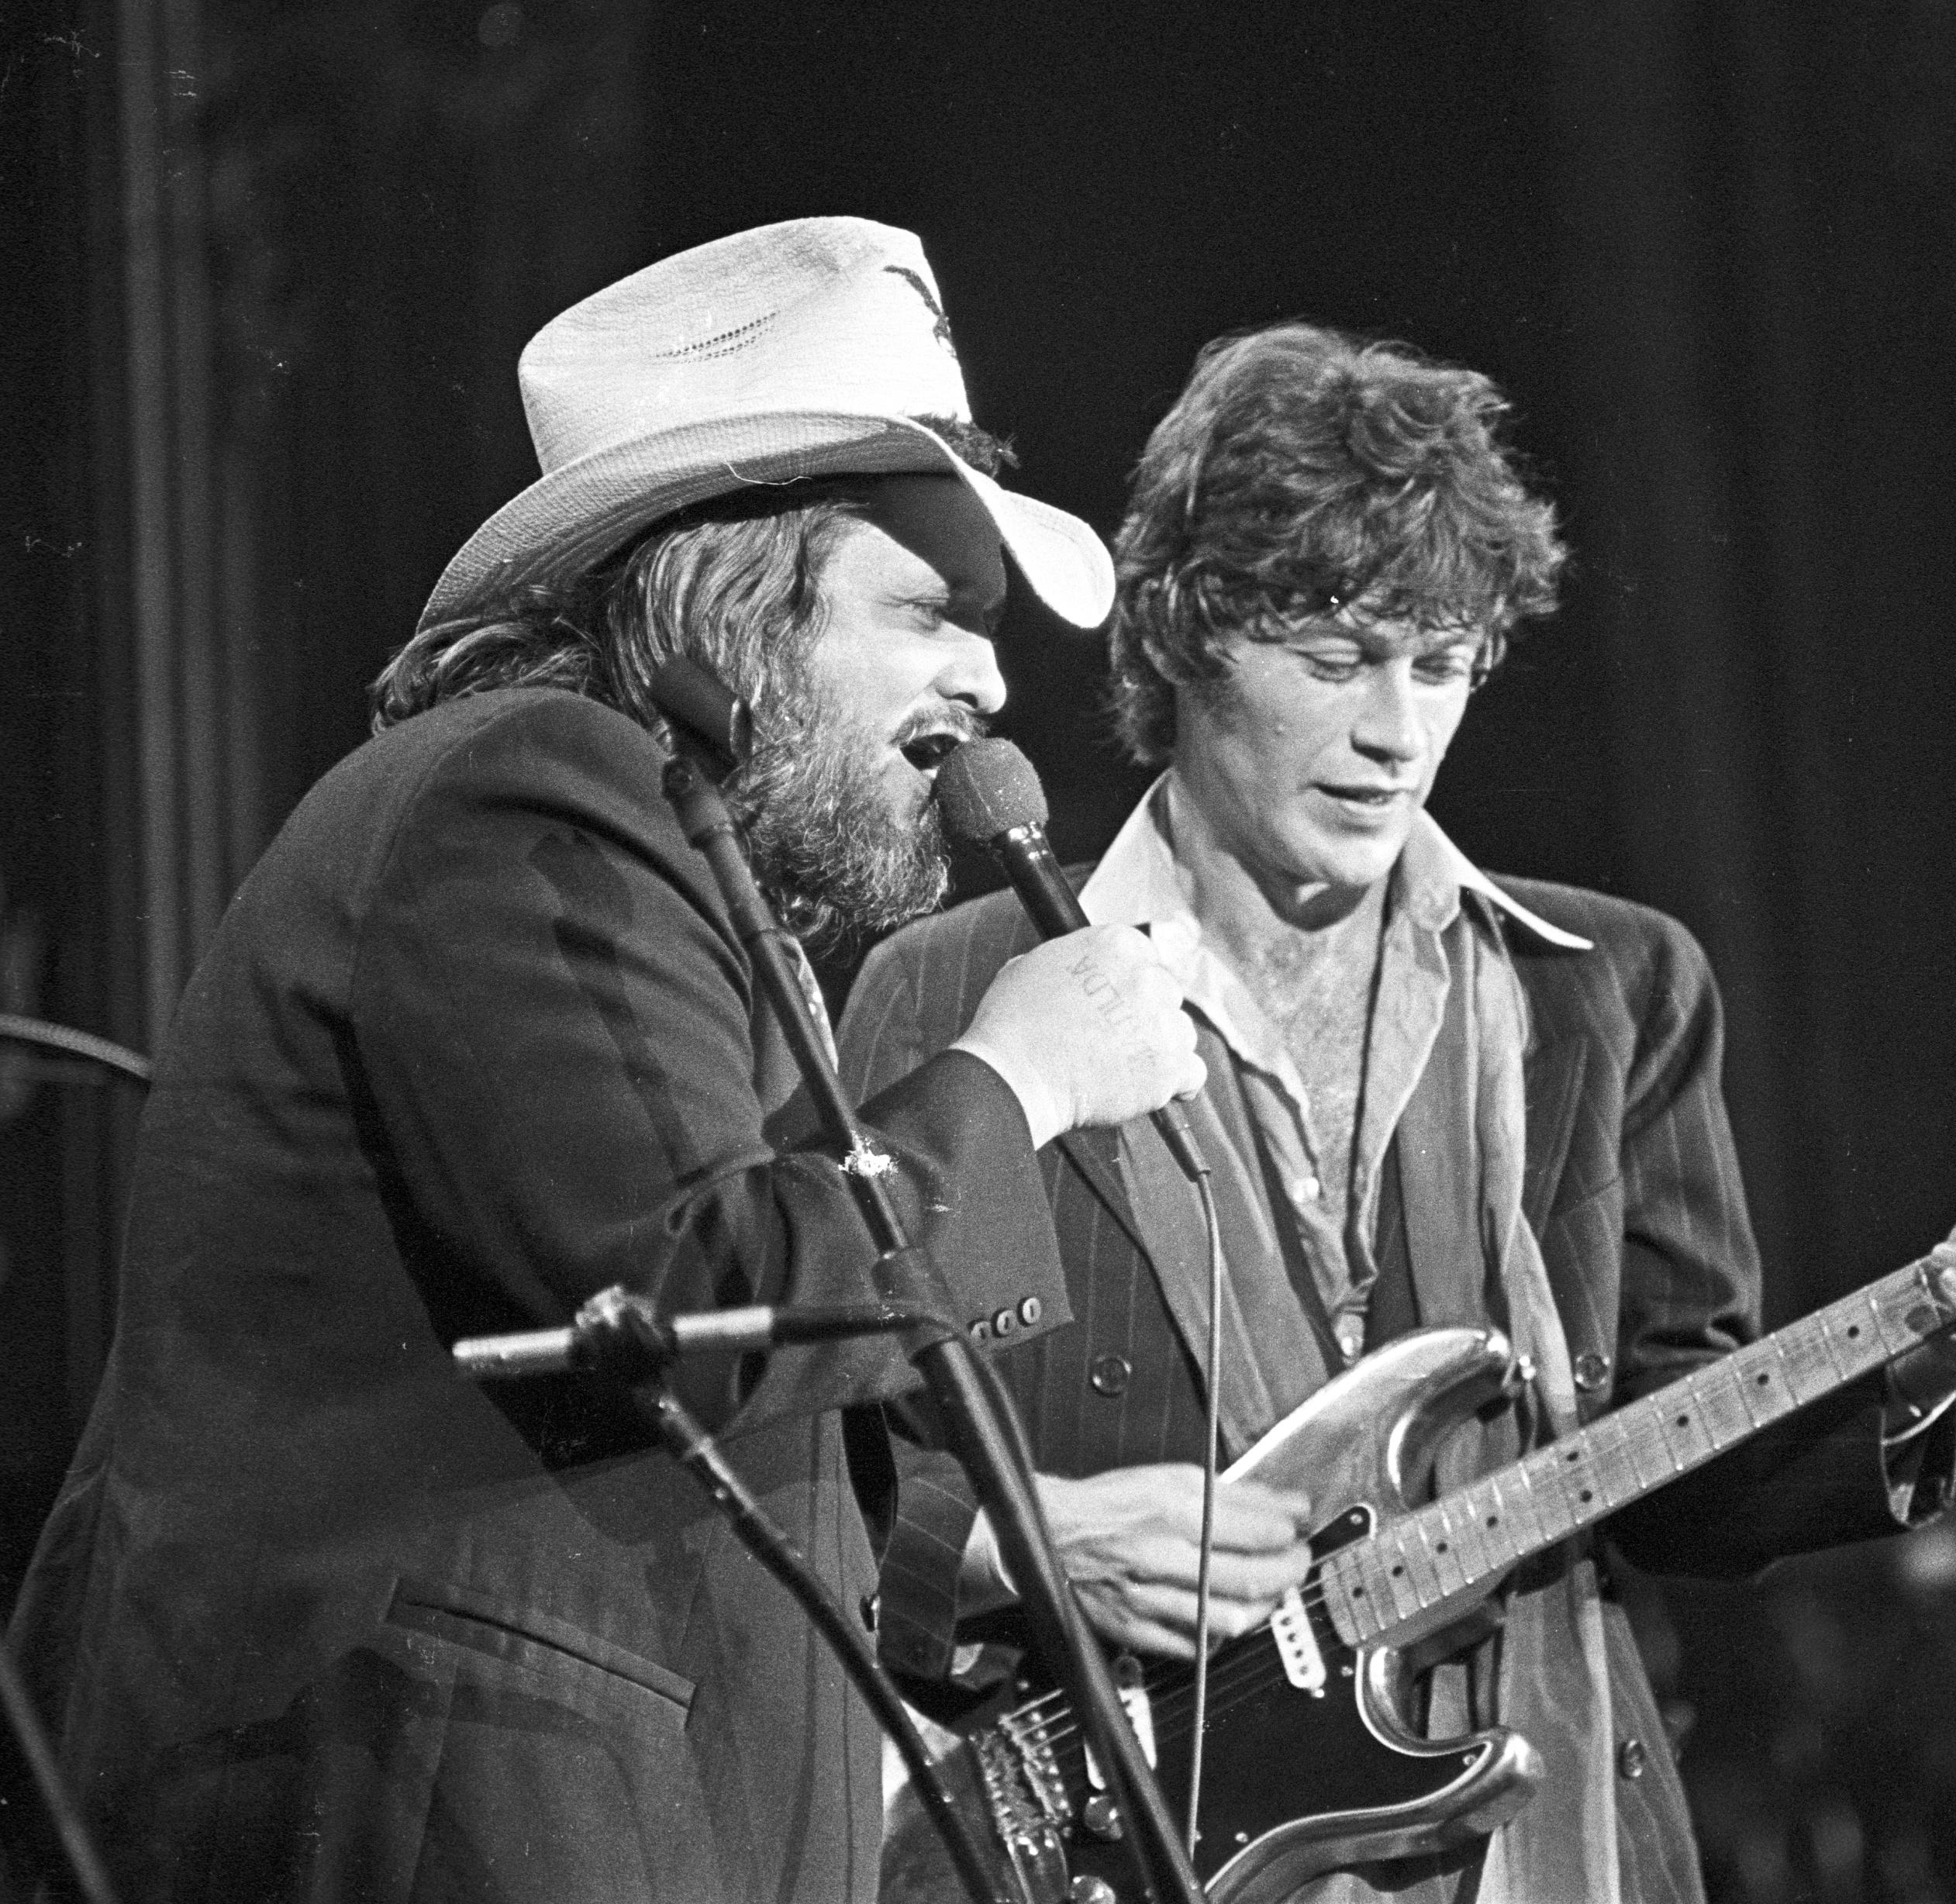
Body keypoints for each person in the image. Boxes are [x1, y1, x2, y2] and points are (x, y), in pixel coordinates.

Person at [840, 323, 1956, 1903]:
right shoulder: (961, 986)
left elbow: (1679, 1447)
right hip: (1134, 1846)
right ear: (1180, 635)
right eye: (1335, 661)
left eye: (1440, 663)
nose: (1398, 732)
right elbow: (838, 1466)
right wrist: (1041, 1537)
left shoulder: (1610, 986)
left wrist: (1921, 1346)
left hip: (1532, 1843)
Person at [2, 219, 1204, 1904]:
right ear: (733, 619)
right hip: (456, 1816)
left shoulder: (668, 859)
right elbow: (683, 1292)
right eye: (934, 611)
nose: (992, 680)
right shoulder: (540, 788)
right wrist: (1014, 1077)